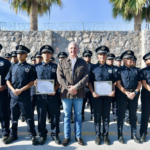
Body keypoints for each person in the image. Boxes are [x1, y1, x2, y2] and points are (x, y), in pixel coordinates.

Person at [5, 45, 38, 145]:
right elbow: (7, 80)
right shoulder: (12, 67)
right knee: (14, 117)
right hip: (14, 96)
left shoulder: (30, 67)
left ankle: (33, 136)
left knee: (28, 117)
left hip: (24, 96)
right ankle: (13, 135)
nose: (19, 55)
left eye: (21, 54)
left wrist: (21, 90)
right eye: (18, 53)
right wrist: (13, 90)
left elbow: (32, 81)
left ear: (26, 55)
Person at [57, 42, 89, 146]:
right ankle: (67, 137)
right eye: (71, 48)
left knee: (78, 115)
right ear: (68, 49)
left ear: (78, 49)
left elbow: (86, 77)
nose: (73, 50)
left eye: (75, 48)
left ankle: (78, 136)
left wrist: (76, 87)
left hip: (79, 93)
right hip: (66, 94)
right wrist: (68, 87)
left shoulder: (83, 63)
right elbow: (59, 77)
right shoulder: (62, 62)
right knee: (67, 115)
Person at [88, 46, 115, 145]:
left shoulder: (110, 68)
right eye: (100, 55)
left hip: (107, 96)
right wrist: (92, 92)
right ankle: (98, 135)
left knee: (106, 116)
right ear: (97, 56)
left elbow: (113, 82)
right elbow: (90, 82)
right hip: (96, 96)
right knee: (97, 115)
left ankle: (106, 135)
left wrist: (113, 91)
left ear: (106, 56)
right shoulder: (93, 68)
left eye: (104, 54)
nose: (102, 56)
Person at [34, 45, 61, 145]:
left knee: (54, 116)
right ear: (41, 55)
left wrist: (55, 89)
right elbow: (33, 79)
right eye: (45, 53)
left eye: (48, 53)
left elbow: (59, 81)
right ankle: (42, 135)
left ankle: (55, 135)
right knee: (41, 116)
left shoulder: (55, 67)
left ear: (51, 55)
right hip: (41, 97)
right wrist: (35, 82)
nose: (46, 55)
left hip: (52, 95)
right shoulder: (36, 67)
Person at [116, 50, 141, 144]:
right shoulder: (119, 70)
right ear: (124, 60)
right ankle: (120, 135)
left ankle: (134, 134)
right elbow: (118, 84)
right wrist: (127, 93)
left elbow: (139, 84)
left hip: (134, 95)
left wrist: (134, 92)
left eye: (131, 58)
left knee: (133, 115)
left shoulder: (136, 70)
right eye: (128, 59)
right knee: (121, 116)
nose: (131, 60)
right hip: (123, 95)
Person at [0, 44, 11, 143]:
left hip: (2, 92)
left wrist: (5, 86)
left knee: (3, 112)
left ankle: (5, 132)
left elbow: (10, 77)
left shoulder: (5, 62)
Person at [139, 52, 150, 142]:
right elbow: (144, 83)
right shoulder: (143, 71)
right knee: (145, 115)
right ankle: (143, 133)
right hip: (147, 96)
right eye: (147, 59)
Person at [82, 50, 94, 121]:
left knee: (93, 103)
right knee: (82, 104)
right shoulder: (81, 66)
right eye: (86, 56)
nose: (87, 57)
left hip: (92, 87)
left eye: (89, 56)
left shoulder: (93, 66)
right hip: (83, 88)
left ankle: (93, 115)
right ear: (83, 57)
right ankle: (82, 116)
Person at [106, 53, 118, 122]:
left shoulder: (116, 68)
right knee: (106, 105)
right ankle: (106, 117)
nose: (111, 61)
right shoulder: (105, 67)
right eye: (109, 59)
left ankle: (115, 116)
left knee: (115, 104)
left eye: (112, 59)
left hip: (116, 88)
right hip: (106, 89)